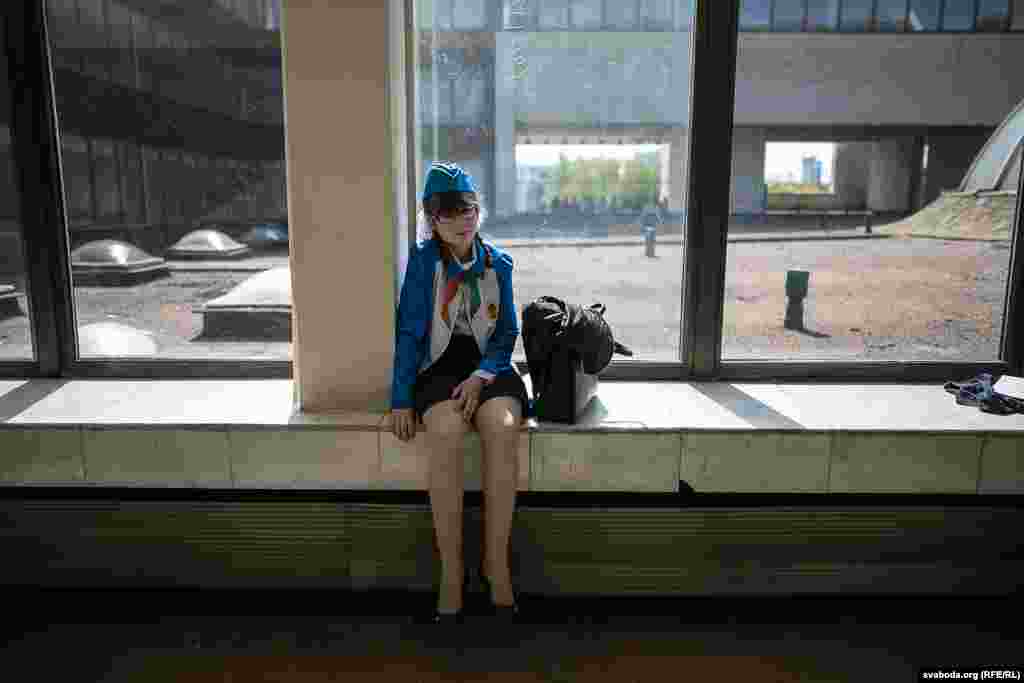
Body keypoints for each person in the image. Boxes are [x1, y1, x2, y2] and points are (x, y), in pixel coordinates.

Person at [390, 161, 530, 624]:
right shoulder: (423, 264)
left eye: (468, 208)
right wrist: (401, 398)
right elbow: (410, 333)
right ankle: (452, 573)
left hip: (489, 367)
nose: (462, 219)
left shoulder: (498, 264)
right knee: (446, 433)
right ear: (432, 219)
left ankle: (496, 566)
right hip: (439, 365)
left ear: (477, 210)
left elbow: (506, 332)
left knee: (503, 427)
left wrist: (483, 375)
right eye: (448, 212)